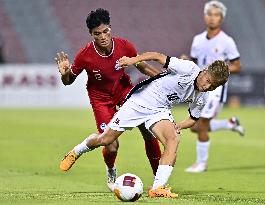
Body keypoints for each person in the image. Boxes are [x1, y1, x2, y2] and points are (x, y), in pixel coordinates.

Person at [60, 51, 229, 198]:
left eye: (212, 86)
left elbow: (193, 118)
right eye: (207, 80)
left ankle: (157, 188)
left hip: (160, 109)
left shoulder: (203, 97)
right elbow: (157, 56)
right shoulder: (189, 69)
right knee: (106, 140)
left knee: (174, 139)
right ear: (205, 71)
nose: (206, 86)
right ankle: (77, 151)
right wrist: (133, 61)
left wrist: (179, 125)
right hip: (140, 100)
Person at [55, 8, 162, 191]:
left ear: (110, 28)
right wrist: (65, 74)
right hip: (101, 99)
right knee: (111, 145)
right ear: (91, 34)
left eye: (106, 31)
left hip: (124, 92)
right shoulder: (84, 55)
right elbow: (68, 81)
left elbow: (142, 66)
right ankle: (105, 167)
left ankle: (159, 182)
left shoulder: (125, 46)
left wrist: (163, 78)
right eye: (97, 34)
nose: (103, 36)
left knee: (147, 130)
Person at [181, 0, 245, 173]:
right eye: (209, 14)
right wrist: (187, 61)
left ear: (221, 18)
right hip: (201, 88)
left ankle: (201, 164)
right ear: (205, 16)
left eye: (216, 15)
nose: (212, 18)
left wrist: (219, 71)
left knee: (200, 125)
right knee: (195, 126)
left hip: (216, 90)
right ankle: (229, 124)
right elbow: (194, 62)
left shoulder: (227, 41)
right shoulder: (197, 40)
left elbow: (237, 66)